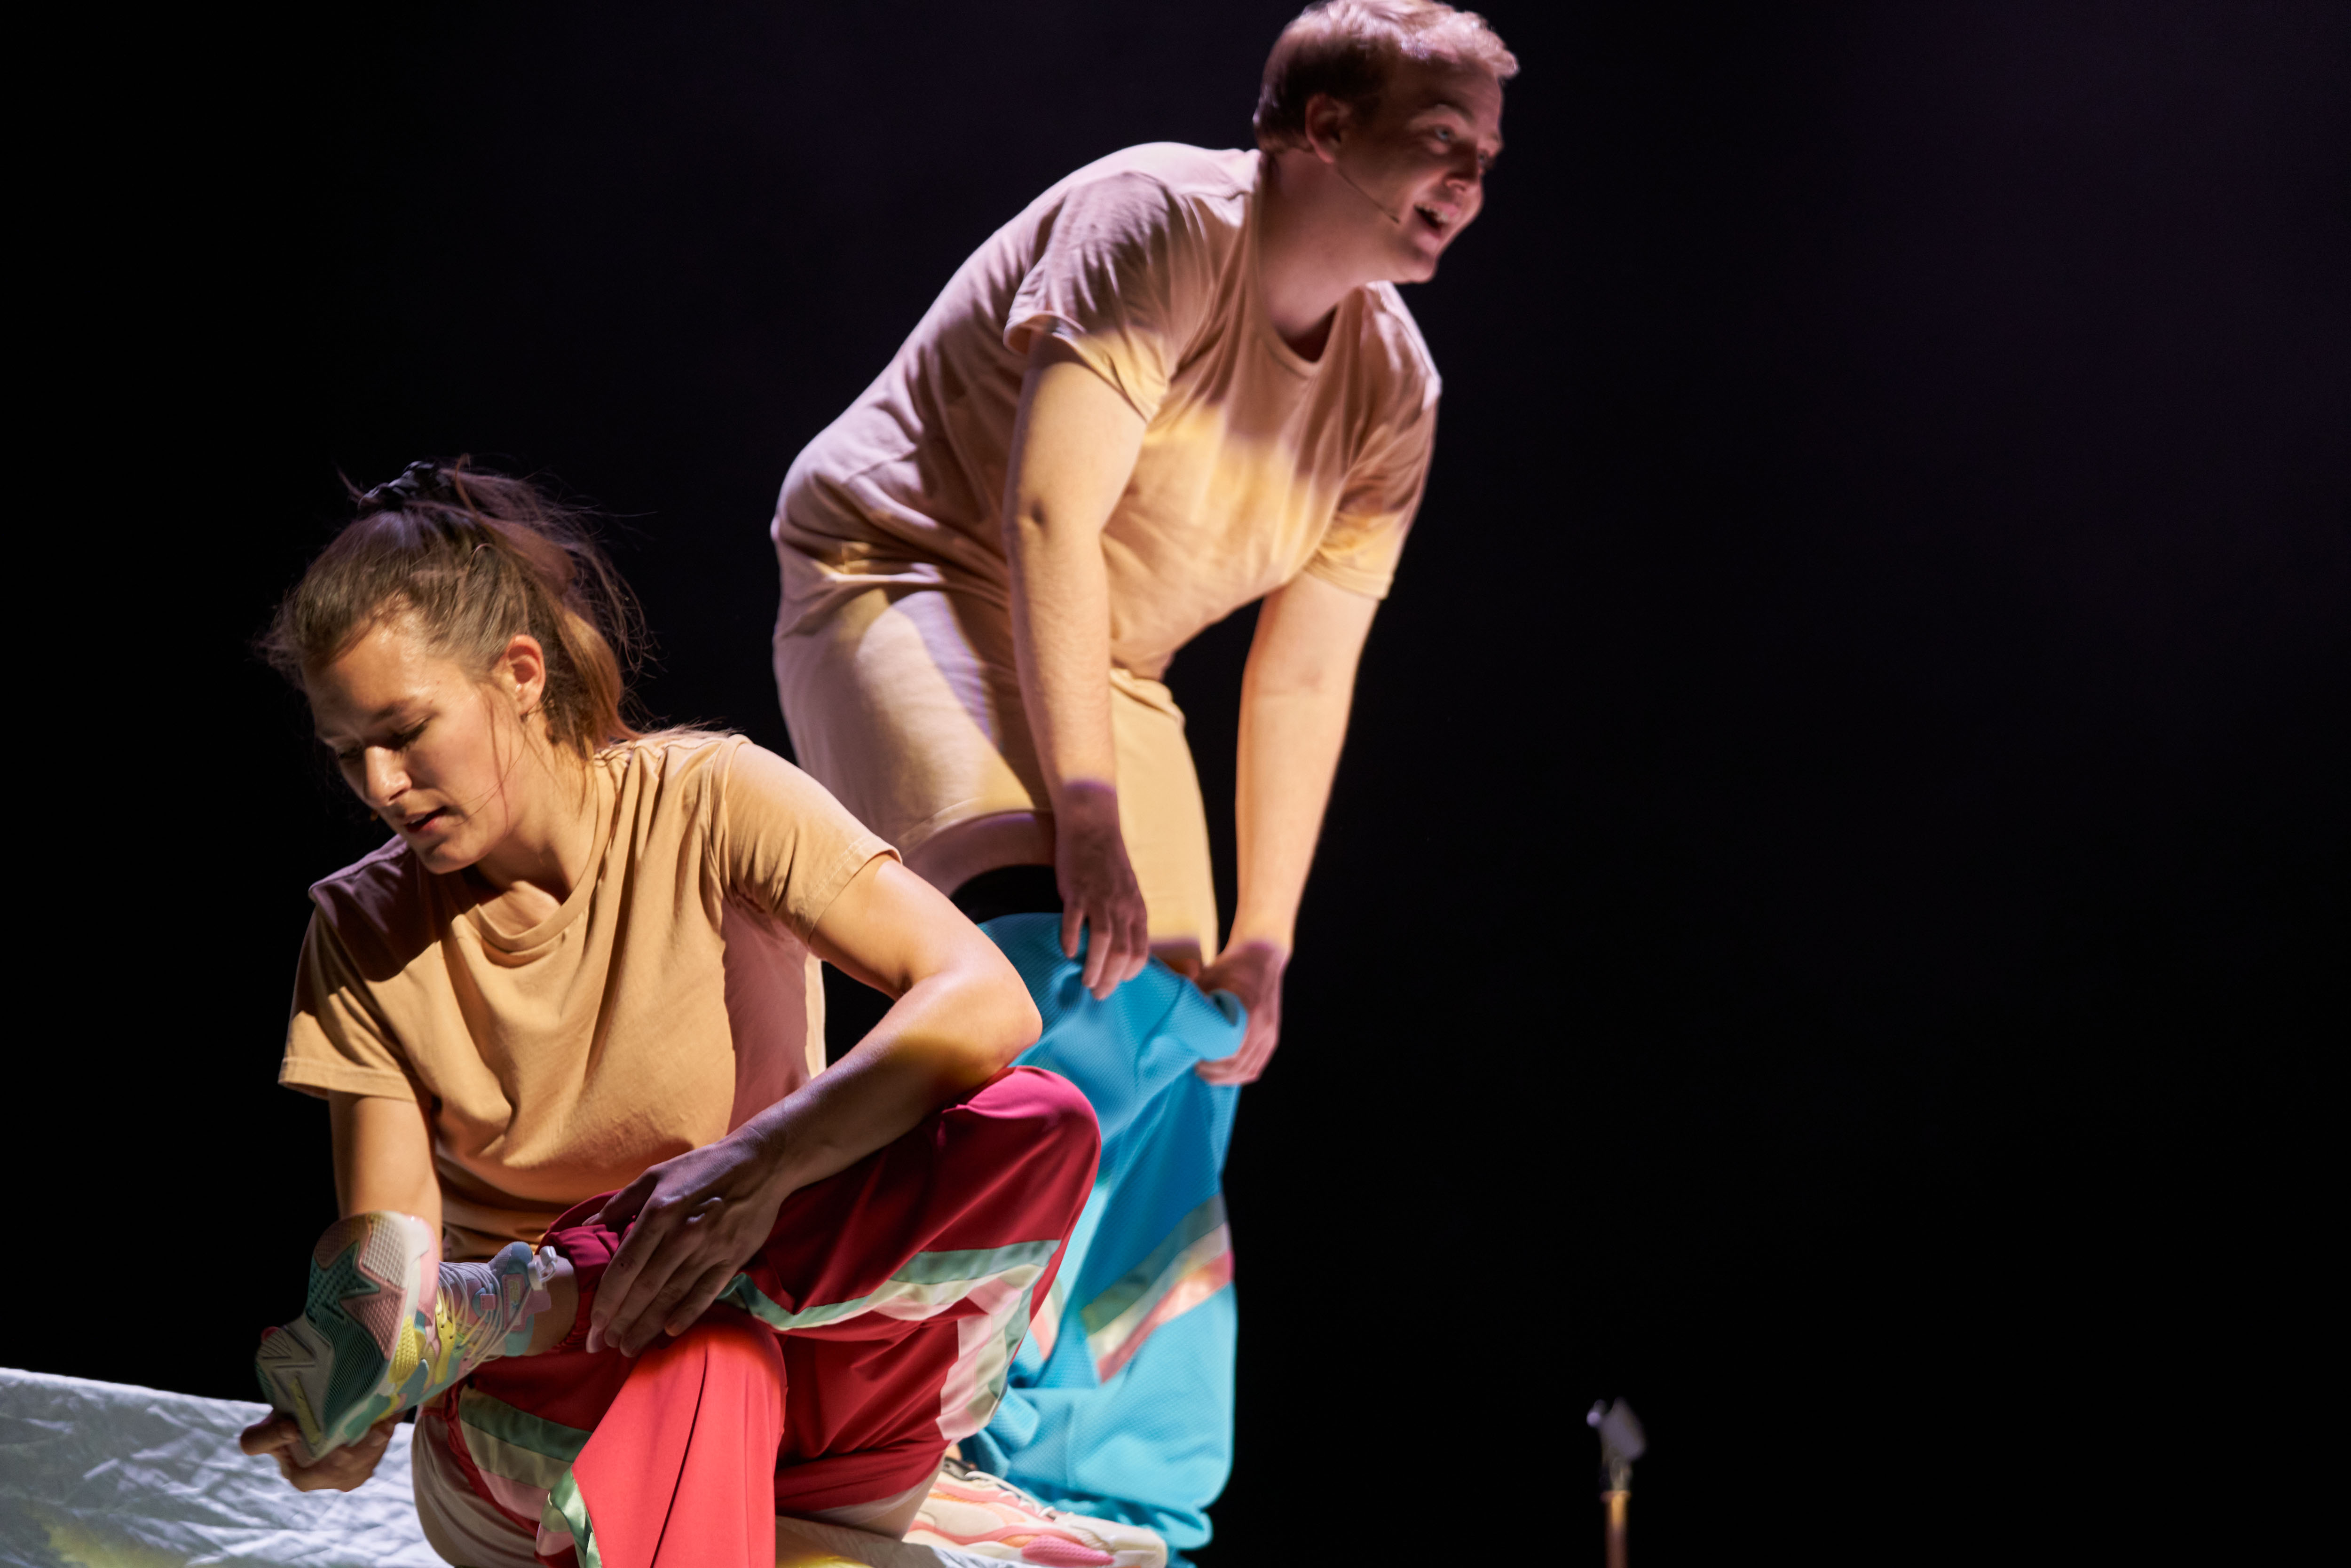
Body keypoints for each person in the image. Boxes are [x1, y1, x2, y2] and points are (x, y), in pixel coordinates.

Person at [770, 0, 1515, 1551]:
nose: (1471, 180)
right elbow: (1048, 514)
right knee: (1040, 980)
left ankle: (1102, 1481)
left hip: (1108, 658)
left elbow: (1303, 672)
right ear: (1325, 128)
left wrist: (1267, 937)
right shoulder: (1159, 222)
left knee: (1188, 1046)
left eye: (1487, 157)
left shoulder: (1395, 392)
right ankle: (909, 1420)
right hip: (910, 569)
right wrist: (1091, 816)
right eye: (1442, 141)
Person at [237, 461, 1160, 1568]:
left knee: (1041, 1122)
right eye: (349, 754)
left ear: (520, 673)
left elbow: (984, 994)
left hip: (817, 1393)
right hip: (547, 1417)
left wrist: (755, 1167)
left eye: (406, 729)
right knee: (708, 1354)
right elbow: (393, 1263)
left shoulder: (715, 799)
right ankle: (545, 1313)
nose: (381, 784)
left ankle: (543, 1294)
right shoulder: (362, 929)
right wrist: (358, 1407)